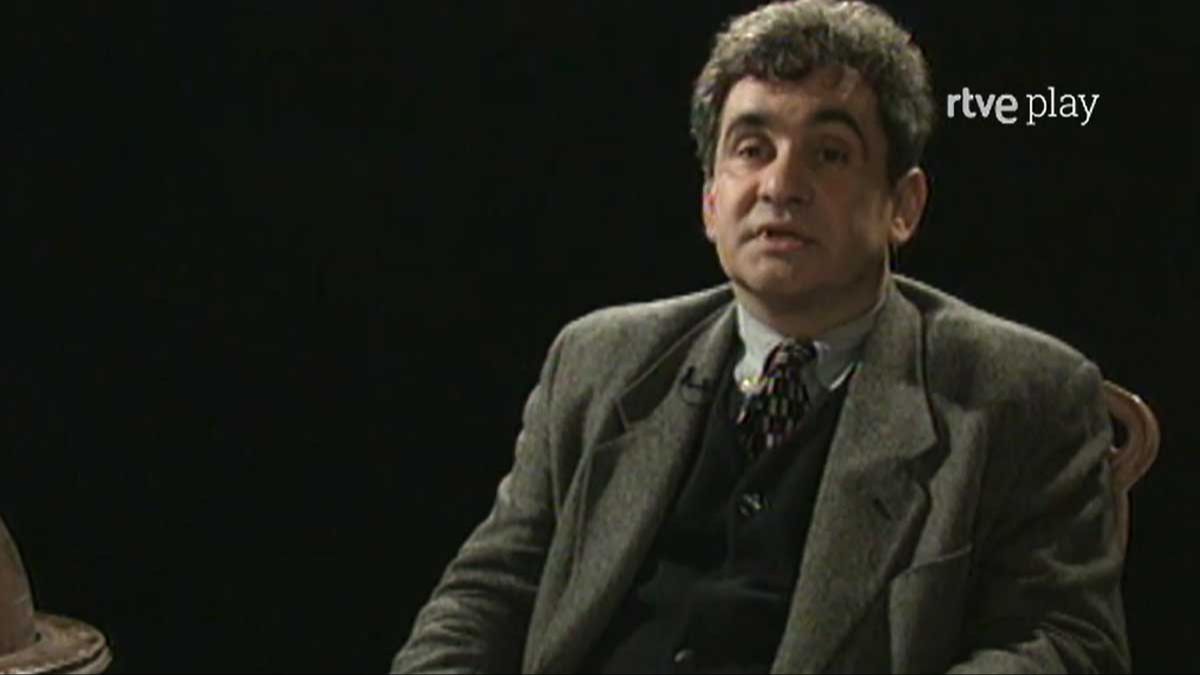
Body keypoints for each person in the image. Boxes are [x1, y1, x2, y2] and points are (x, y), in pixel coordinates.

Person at [392, 1, 1130, 672]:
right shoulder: (596, 360)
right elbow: (484, 597)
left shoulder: (1021, 392)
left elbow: (1065, 645)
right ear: (711, 202)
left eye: (829, 153)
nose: (781, 185)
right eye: (751, 148)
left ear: (903, 205)